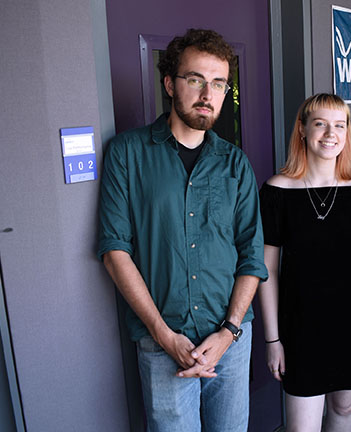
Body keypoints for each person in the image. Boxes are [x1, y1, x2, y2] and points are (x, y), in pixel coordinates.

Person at [98, 28, 267, 431]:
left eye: (219, 83)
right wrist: (163, 335)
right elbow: (114, 251)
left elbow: (251, 254)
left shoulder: (235, 163)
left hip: (229, 340)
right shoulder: (127, 154)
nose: (208, 94)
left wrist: (228, 331)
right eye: (195, 79)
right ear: (170, 84)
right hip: (162, 343)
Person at [259, 93, 351, 432]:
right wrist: (273, 340)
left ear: (347, 132)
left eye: (339, 125)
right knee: (302, 426)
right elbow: (267, 271)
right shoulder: (277, 192)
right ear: (302, 129)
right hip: (300, 326)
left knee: (344, 409)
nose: (330, 134)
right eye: (320, 124)